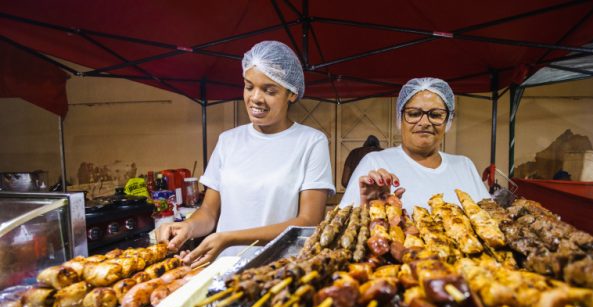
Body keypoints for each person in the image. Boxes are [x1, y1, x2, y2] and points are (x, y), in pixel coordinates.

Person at [156, 40, 335, 267]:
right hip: (223, 268)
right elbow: (209, 212)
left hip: (278, 272)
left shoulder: (310, 141)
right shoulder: (228, 141)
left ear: (291, 93)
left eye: (269, 90)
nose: (256, 98)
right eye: (249, 86)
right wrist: (189, 227)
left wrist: (231, 238)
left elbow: (308, 221)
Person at [339, 77, 490, 213]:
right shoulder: (375, 163)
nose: (424, 123)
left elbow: (490, 219)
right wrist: (368, 212)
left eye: (436, 114)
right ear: (400, 118)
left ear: (448, 121)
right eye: (414, 113)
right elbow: (343, 228)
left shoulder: (464, 165)